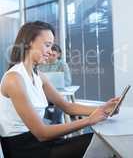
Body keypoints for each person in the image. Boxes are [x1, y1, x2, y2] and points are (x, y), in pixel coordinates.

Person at [0, 21, 119, 158]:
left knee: (101, 143)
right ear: (29, 43)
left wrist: (104, 109)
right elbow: (42, 133)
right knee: (101, 144)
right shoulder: (14, 79)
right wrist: (89, 120)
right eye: (47, 45)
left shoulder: (39, 76)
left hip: (39, 142)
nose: (51, 51)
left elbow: (68, 107)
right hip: (24, 149)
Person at [39, 43, 72, 124]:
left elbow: (68, 81)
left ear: (59, 55)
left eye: (53, 55)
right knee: (39, 102)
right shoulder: (42, 64)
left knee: (59, 102)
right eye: (49, 54)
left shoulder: (62, 64)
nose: (50, 57)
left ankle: (55, 123)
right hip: (45, 94)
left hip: (58, 93)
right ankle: (46, 122)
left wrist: (52, 85)